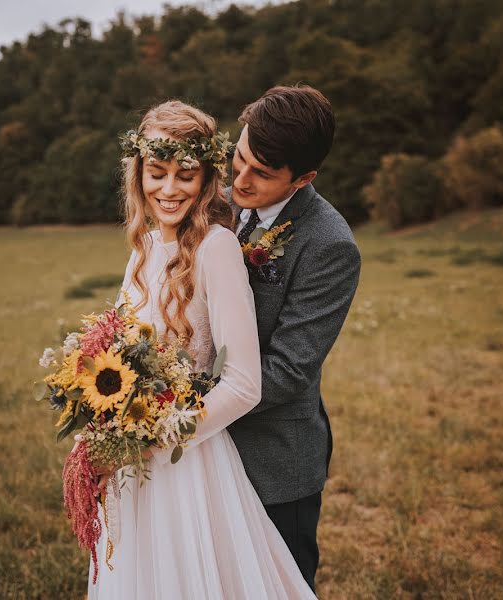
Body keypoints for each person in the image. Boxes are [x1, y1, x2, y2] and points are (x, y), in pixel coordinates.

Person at [89, 100, 316, 599]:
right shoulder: (143, 248)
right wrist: (103, 426)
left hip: (185, 457)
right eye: (156, 174)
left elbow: (243, 384)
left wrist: (154, 439)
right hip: (132, 463)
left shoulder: (217, 247)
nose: (168, 190)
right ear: (138, 174)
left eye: (184, 175)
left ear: (205, 177)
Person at [226, 85, 362, 592]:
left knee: (278, 587)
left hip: (275, 461)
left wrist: (179, 401)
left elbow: (287, 372)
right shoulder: (216, 207)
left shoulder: (330, 246)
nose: (239, 181)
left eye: (261, 174)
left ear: (304, 178)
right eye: (238, 159)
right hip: (202, 455)